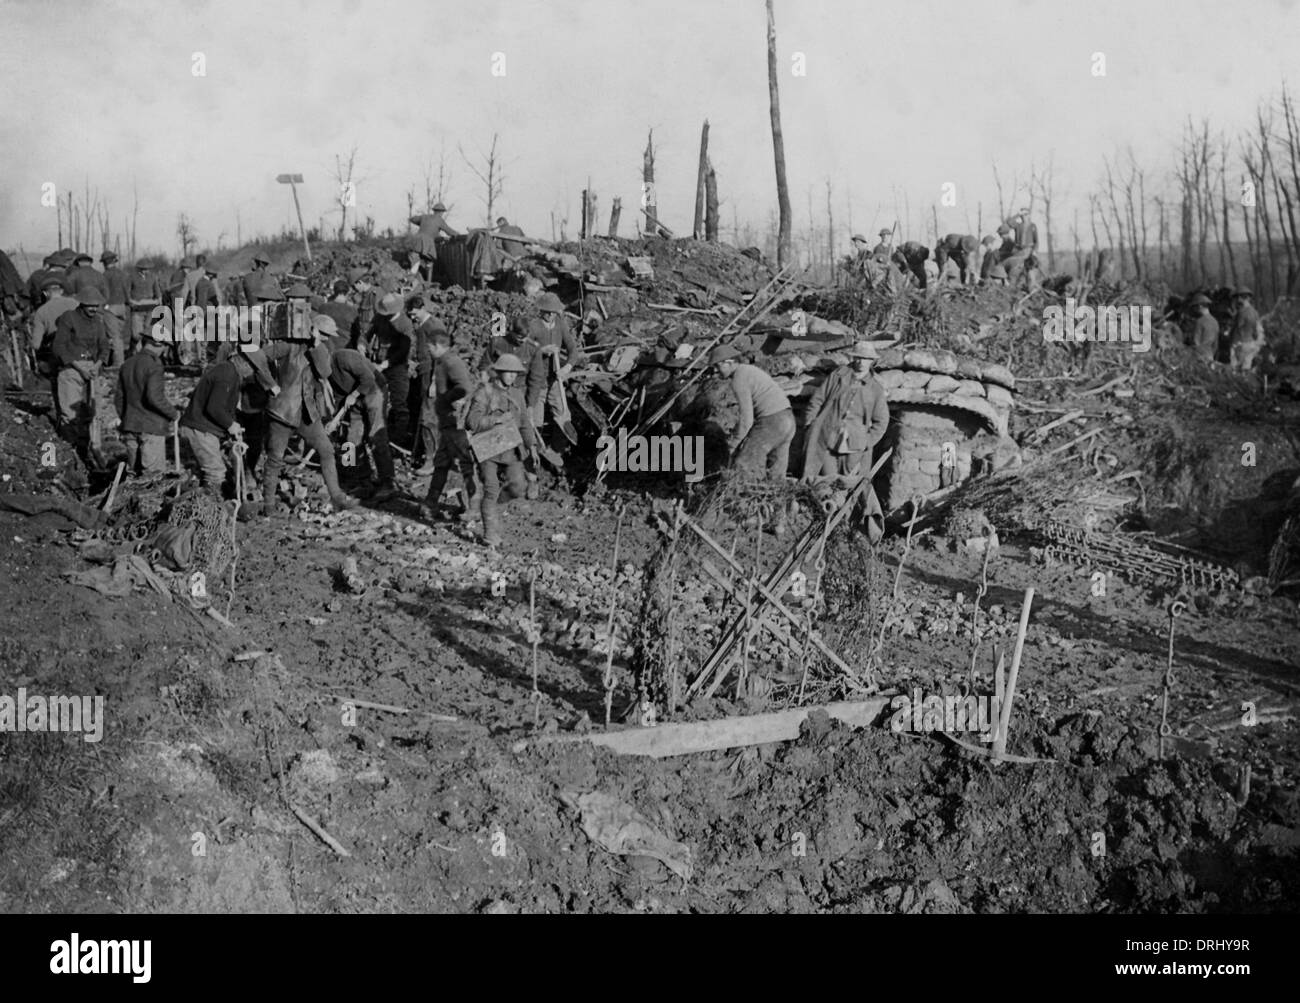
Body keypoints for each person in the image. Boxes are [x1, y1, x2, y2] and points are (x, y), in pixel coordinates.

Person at [260, 317, 361, 516]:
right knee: (275, 459)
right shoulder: (290, 346)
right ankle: (268, 506)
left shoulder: (321, 349)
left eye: (326, 336)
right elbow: (259, 359)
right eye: (322, 334)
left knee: (327, 450)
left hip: (307, 413)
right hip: (283, 411)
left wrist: (316, 345)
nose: (324, 338)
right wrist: (270, 384)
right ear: (312, 329)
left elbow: (324, 373)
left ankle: (338, 497)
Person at [800, 341, 890, 540]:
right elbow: (817, 400)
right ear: (852, 358)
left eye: (865, 359)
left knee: (850, 487)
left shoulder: (875, 389)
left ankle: (844, 529)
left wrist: (867, 441)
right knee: (826, 482)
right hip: (828, 439)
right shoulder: (838, 376)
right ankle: (822, 526)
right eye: (857, 357)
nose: (860, 362)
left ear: (871, 362)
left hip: (855, 447)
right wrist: (810, 425)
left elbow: (881, 421)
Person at [180, 348, 278, 494]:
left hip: (202, 427)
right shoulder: (227, 374)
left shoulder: (229, 372)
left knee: (213, 470)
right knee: (216, 472)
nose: (252, 376)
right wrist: (230, 425)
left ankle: (207, 500)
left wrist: (232, 428)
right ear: (246, 363)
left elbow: (222, 406)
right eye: (253, 371)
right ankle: (209, 509)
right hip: (200, 428)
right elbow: (214, 408)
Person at [465, 353, 536, 548]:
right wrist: (496, 420)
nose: (512, 376)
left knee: (518, 487)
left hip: (510, 448)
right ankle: (490, 534)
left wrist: (532, 446)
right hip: (488, 449)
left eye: (515, 373)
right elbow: (471, 422)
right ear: (499, 372)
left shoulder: (517, 395)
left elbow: (524, 424)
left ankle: (489, 507)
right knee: (491, 489)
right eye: (508, 372)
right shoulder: (484, 393)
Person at [329, 331, 396, 503]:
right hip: (354, 399)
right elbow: (337, 399)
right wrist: (333, 420)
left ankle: (387, 482)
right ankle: (357, 478)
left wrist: (355, 393)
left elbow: (368, 378)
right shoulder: (326, 374)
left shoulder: (346, 357)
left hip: (375, 391)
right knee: (351, 438)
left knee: (376, 435)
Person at [709, 344, 795, 478]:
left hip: (772, 421)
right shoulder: (749, 370)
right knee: (776, 474)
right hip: (788, 419)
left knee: (744, 464)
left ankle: (746, 497)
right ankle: (775, 496)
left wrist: (733, 445)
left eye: (717, 366)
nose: (715, 371)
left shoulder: (739, 379)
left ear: (729, 363)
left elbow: (746, 421)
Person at [421, 329, 479, 520]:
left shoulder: (451, 362)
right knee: (441, 463)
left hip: (455, 423)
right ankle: (430, 503)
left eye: (429, 346)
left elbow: (465, 388)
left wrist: (447, 399)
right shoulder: (443, 361)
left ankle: (474, 506)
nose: (428, 349)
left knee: (465, 464)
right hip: (446, 423)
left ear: (438, 346)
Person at [114, 325, 178, 475]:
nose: (164, 351)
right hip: (151, 428)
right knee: (152, 479)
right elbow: (154, 397)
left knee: (133, 476)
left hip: (130, 426)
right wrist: (173, 413)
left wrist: (126, 419)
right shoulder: (154, 365)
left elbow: (118, 399)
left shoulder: (127, 364)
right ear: (159, 345)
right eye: (165, 347)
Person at [50, 288, 112, 441]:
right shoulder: (69, 318)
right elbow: (59, 347)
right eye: (90, 305)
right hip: (71, 369)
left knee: (95, 413)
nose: (94, 309)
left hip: (92, 369)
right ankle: (71, 447)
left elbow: (104, 346)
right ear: (81, 304)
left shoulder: (98, 321)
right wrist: (78, 367)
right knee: (70, 414)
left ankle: (93, 446)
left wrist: (97, 365)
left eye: (96, 305)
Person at [365, 292, 414, 448]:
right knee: (375, 399)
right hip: (378, 363)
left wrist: (386, 364)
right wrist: (361, 345)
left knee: (399, 403)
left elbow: (403, 350)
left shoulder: (405, 323)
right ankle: (376, 435)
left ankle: (398, 440)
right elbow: (367, 333)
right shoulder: (380, 318)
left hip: (397, 366)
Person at [406, 295, 446, 473]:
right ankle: (423, 455)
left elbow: (442, 356)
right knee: (423, 414)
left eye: (414, 313)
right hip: (424, 375)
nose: (412, 316)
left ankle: (431, 461)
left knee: (429, 419)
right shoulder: (421, 325)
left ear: (422, 308)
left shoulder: (434, 326)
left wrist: (435, 383)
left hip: (434, 377)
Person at [29, 276, 79, 373]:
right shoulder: (75, 303)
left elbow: (36, 344)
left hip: (57, 351)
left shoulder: (41, 311)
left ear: (45, 293)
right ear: (61, 291)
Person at [408, 201, 461, 279]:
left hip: (416, 242)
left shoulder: (424, 217)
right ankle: (427, 282)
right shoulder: (439, 220)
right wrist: (458, 234)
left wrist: (422, 223)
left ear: (434, 211)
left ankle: (410, 279)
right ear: (441, 212)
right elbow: (450, 231)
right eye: (442, 212)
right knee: (430, 263)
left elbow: (412, 219)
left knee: (415, 263)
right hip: (427, 244)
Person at [99, 251, 130, 365]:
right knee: (120, 337)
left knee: (114, 337)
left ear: (105, 263)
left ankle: (118, 364)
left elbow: (105, 294)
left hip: (110, 307)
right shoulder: (122, 274)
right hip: (122, 306)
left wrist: (103, 306)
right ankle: (115, 361)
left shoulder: (105, 275)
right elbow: (127, 292)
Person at [127, 260, 163, 354]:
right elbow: (127, 293)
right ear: (138, 269)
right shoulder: (131, 277)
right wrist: (131, 302)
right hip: (137, 310)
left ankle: (144, 352)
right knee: (136, 334)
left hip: (150, 309)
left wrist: (159, 301)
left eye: (147, 269)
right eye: (143, 269)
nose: (145, 271)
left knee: (148, 332)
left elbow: (158, 292)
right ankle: (136, 352)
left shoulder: (153, 277)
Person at [1228, 288, 1265, 371]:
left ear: (1240, 298)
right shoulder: (1255, 312)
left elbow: (1238, 329)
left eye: (1238, 298)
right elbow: (1257, 330)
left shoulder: (1241, 313)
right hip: (1251, 343)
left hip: (1240, 343)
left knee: (1235, 370)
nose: (1236, 300)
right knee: (1247, 368)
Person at [1186, 293, 1219, 362]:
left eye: (1195, 307)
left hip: (1200, 356)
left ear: (1200, 306)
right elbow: (1215, 344)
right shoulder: (1215, 322)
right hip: (1210, 355)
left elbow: (1195, 342)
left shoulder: (1200, 321)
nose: (1194, 309)